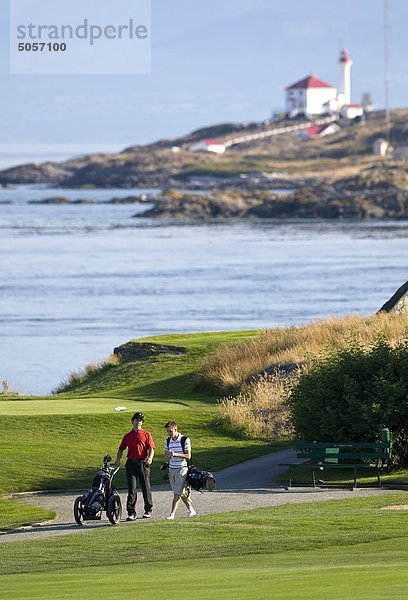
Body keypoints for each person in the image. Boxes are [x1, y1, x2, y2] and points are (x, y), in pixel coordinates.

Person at [115, 412, 155, 520]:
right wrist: (118, 459)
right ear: (132, 421)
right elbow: (121, 449)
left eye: (140, 420)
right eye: (136, 420)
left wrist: (150, 457)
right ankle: (131, 513)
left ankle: (148, 510)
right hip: (131, 463)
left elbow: (151, 448)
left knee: (145, 487)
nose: (138, 422)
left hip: (142, 462)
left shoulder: (146, 434)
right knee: (132, 489)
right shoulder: (127, 436)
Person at [164, 420, 196, 520]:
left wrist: (175, 454)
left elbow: (188, 456)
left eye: (171, 431)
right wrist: (168, 455)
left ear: (176, 429)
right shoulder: (167, 440)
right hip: (171, 469)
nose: (169, 433)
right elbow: (165, 457)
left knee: (176, 492)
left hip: (182, 468)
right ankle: (191, 509)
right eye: (168, 431)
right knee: (179, 492)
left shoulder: (185, 439)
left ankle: (172, 514)